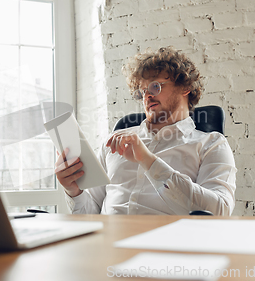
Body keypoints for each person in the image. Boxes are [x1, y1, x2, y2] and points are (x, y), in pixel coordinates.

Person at [55, 46, 236, 215]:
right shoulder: (113, 142)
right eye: (142, 92)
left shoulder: (211, 144)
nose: (147, 96)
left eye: (155, 86)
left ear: (185, 87)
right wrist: (73, 190)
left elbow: (220, 210)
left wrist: (148, 161)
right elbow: (91, 214)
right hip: (106, 244)